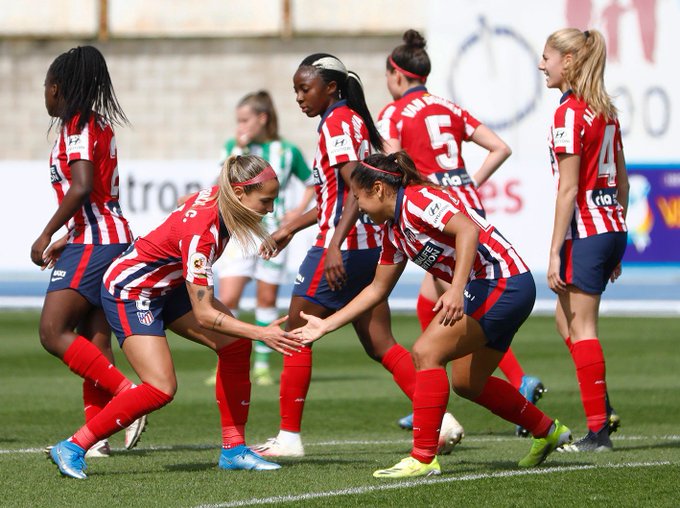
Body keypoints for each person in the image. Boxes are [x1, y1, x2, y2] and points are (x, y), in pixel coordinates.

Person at [294, 152, 572, 478]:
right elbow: (376, 290)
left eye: (358, 197)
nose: (356, 207)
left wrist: (455, 289)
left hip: (503, 283)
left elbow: (467, 230)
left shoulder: (418, 200)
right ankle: (548, 430)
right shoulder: (394, 231)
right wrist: (326, 325)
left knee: (427, 352)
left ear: (380, 189)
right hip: (497, 287)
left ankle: (423, 458)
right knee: (468, 383)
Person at [252, 53, 464, 458]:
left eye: (305, 88)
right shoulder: (349, 120)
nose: (299, 97)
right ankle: (440, 420)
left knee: (297, 333)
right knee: (380, 343)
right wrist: (289, 228)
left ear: (331, 87)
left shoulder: (337, 122)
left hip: (346, 248)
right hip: (370, 246)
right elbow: (339, 196)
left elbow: (356, 189)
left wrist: (333, 244)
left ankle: (289, 438)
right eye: (296, 88)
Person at [47, 155, 303, 479]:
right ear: (239, 194)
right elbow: (206, 314)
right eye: (266, 200)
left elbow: (186, 201)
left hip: (166, 285)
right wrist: (261, 331)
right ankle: (72, 446)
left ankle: (234, 450)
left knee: (235, 346)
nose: (271, 208)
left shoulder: (218, 194)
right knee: (161, 387)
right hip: (132, 291)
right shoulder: (203, 236)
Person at [377, 29, 545, 436]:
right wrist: (470, 182)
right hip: (465, 202)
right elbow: (500, 147)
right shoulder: (449, 107)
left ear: (397, 75)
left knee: (460, 299)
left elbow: (385, 164)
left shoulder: (395, 112)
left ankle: (435, 392)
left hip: (429, 209)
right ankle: (431, 388)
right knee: (436, 300)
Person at [31, 45, 145, 459]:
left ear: (58, 88)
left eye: (46, 86)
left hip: (96, 241)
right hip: (105, 235)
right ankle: (96, 437)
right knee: (94, 341)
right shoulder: (98, 124)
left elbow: (80, 187)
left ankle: (126, 397)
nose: (44, 94)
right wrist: (69, 236)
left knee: (51, 331)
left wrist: (47, 234)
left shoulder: (77, 125)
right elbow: (96, 194)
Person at [538, 28, 628, 451]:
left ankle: (599, 431)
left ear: (569, 61)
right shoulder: (605, 110)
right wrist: (616, 240)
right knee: (565, 322)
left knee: (583, 327)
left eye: (548, 58)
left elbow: (568, 190)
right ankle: (602, 407)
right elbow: (623, 182)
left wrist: (554, 252)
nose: (543, 66)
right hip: (611, 226)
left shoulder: (570, 113)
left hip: (588, 231)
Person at [212, 90, 315, 386]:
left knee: (266, 297)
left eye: (245, 120)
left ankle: (260, 363)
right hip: (238, 232)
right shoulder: (234, 148)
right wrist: (237, 149)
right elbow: (223, 182)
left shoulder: (286, 151)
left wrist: (296, 211)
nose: (240, 126)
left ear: (262, 118)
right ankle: (226, 357)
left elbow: (311, 183)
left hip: (272, 234)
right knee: (228, 297)